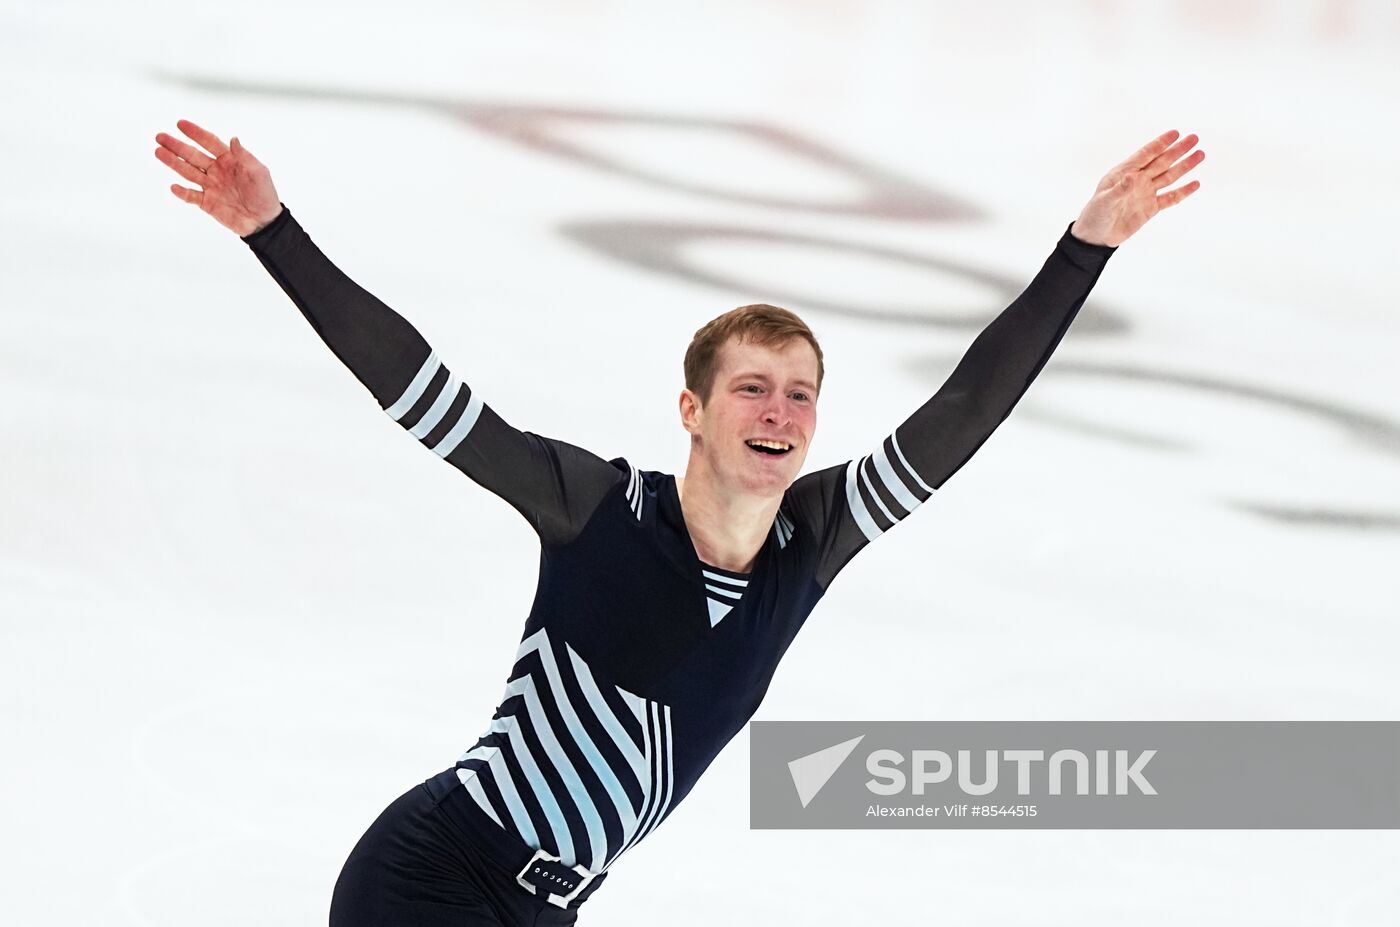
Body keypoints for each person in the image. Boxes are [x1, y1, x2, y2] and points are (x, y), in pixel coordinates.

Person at [153, 119, 1203, 926]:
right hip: (431, 876)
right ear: (693, 413)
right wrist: (272, 234)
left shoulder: (812, 541)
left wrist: (1083, 247)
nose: (779, 414)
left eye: (798, 395)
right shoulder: (595, 508)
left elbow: (962, 412)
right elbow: (421, 391)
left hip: (544, 905)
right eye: (752, 389)